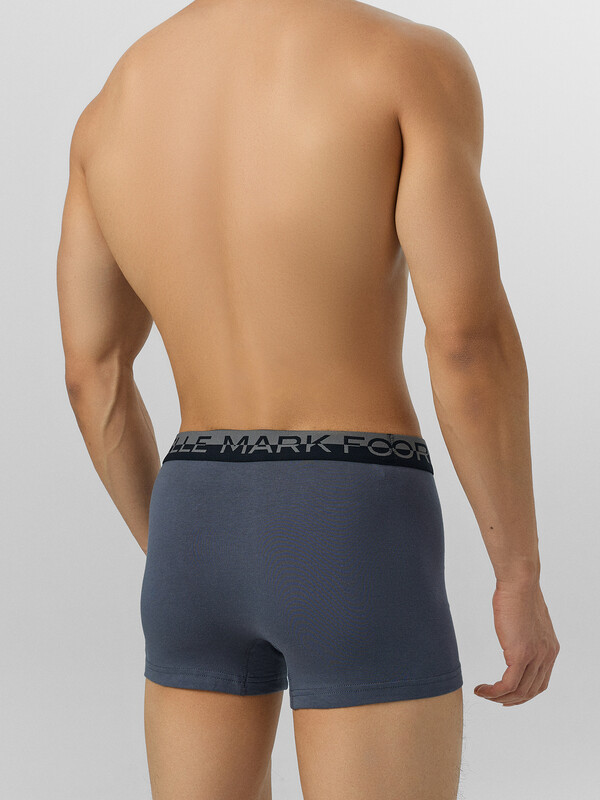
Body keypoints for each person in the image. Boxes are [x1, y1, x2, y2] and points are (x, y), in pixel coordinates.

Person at [56, 0, 560, 797]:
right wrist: (517, 572)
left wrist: (185, 552)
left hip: (192, 518)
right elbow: (467, 340)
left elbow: (93, 373)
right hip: (352, 518)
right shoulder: (406, 63)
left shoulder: (115, 102)